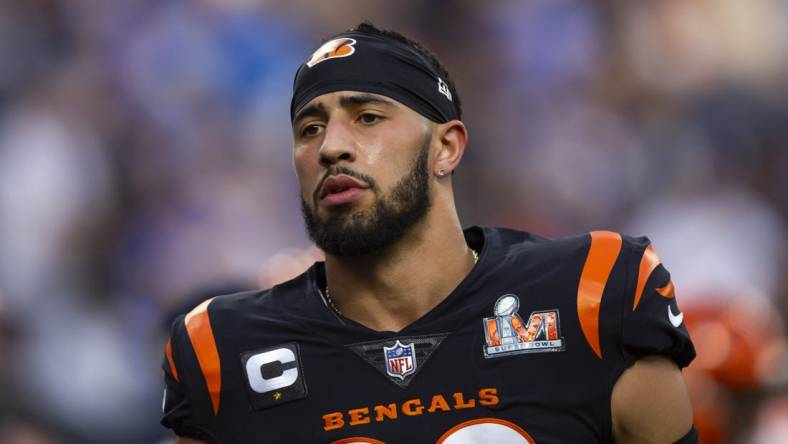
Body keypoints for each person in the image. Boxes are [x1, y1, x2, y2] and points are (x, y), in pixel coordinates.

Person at [161, 22, 697, 443]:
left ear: (446, 147)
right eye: (309, 128)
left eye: (368, 117)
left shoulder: (594, 295)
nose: (330, 147)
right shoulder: (225, 351)